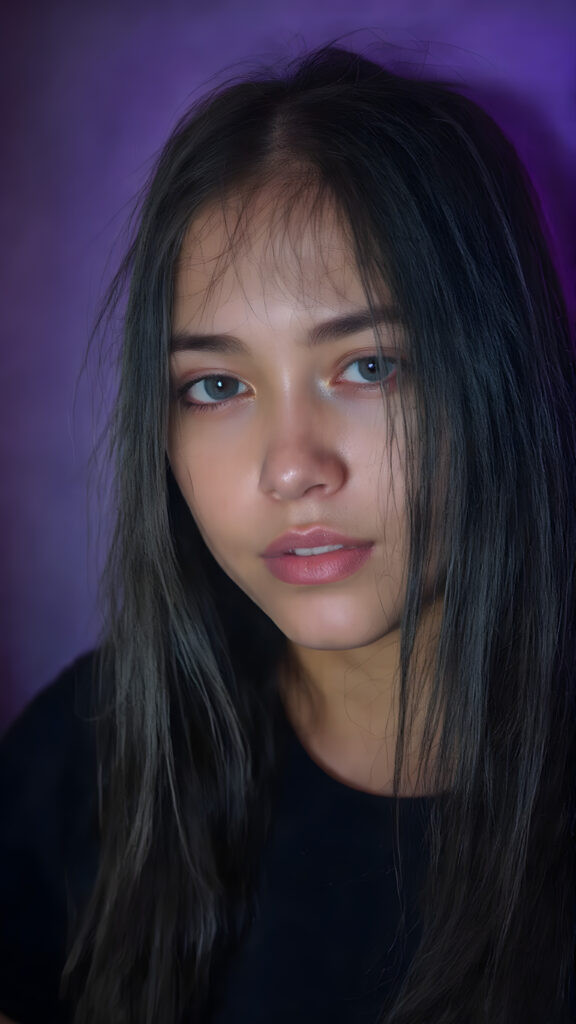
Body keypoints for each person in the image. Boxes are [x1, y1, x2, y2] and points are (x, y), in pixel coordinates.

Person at [0, 42, 574, 1024]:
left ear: (499, 369)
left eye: (370, 367)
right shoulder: (87, 755)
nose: (292, 465)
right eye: (217, 386)